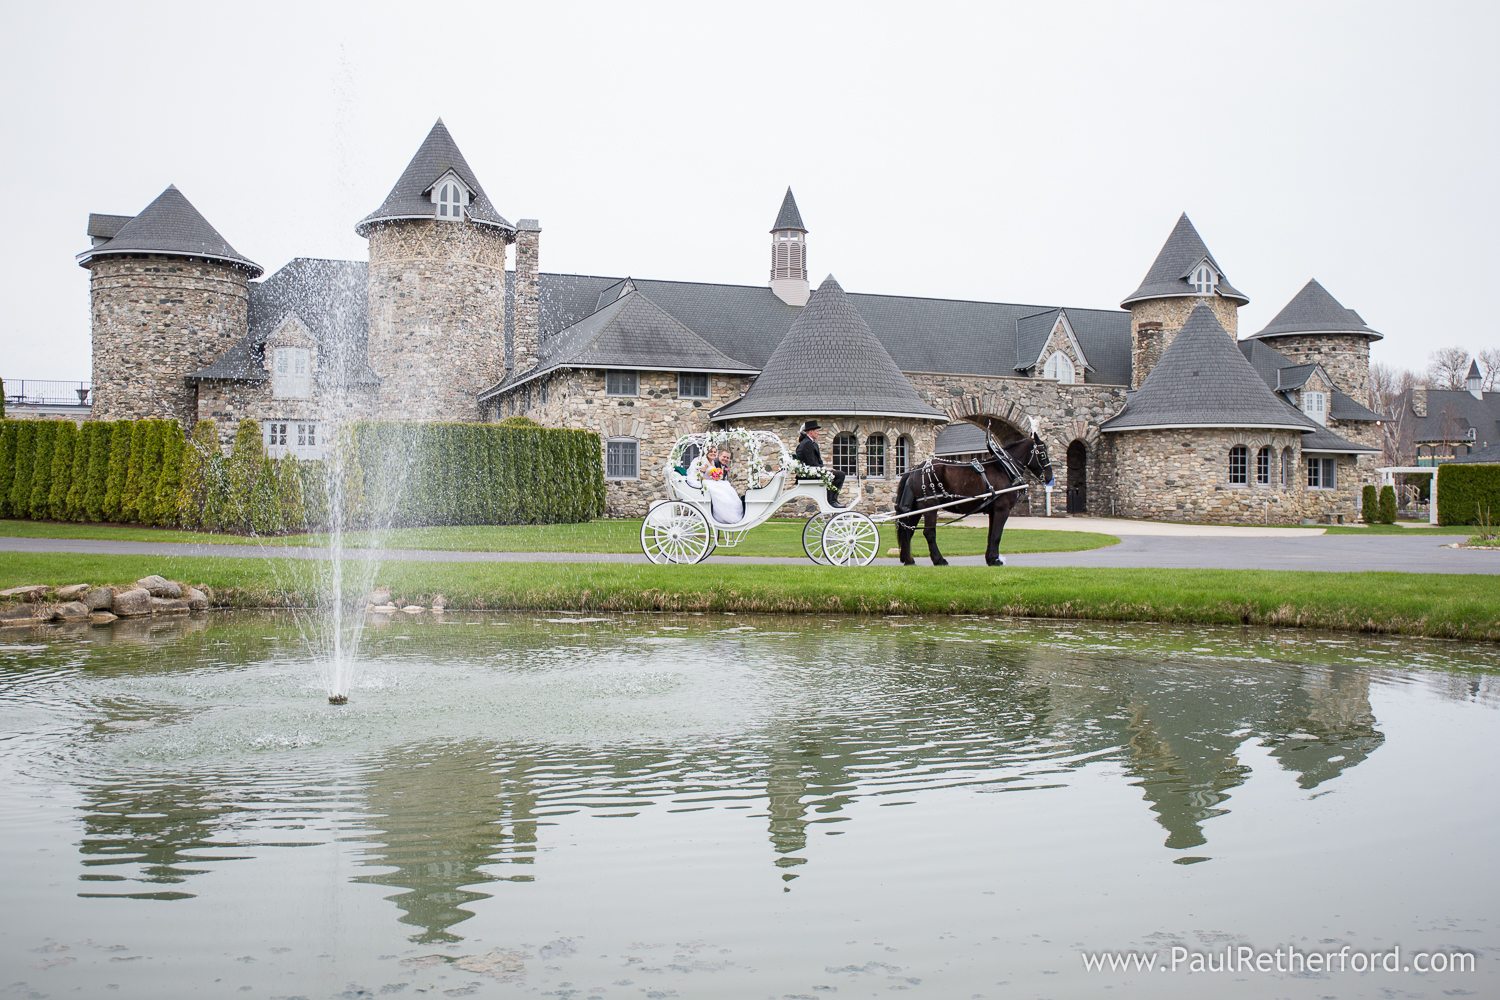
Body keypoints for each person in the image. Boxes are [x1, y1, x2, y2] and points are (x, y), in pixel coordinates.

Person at [794, 420, 845, 507]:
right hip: (808, 474)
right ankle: (832, 501)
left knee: (837, 474)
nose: (818, 433)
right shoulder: (807, 444)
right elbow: (812, 463)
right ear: (810, 432)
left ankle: (833, 500)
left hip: (813, 471)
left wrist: (826, 469)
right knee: (840, 475)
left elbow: (817, 462)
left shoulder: (811, 443)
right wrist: (826, 470)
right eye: (817, 431)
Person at [691, 446, 744, 523]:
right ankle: (724, 514)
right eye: (724, 457)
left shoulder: (713, 462)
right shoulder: (709, 462)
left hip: (713, 481)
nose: (725, 459)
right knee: (723, 491)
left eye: (714, 452)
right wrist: (704, 472)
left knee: (728, 489)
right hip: (706, 482)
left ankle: (731, 510)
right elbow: (700, 474)